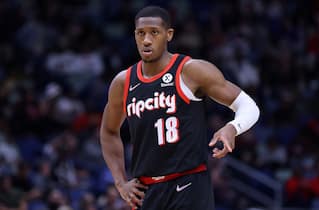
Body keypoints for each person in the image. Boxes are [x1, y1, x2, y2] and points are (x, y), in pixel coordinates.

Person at [100, 6, 260, 210]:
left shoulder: (191, 71)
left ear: (169, 35)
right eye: (141, 33)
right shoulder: (123, 82)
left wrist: (232, 128)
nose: (147, 40)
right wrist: (120, 182)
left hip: (189, 183)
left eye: (154, 33)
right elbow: (108, 131)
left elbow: (249, 106)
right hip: (146, 191)